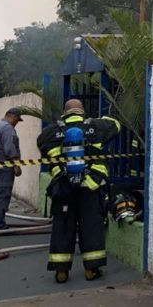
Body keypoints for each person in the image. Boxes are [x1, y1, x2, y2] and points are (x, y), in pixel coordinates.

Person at [38, 99, 120, 283]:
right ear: (81, 111)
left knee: (62, 227)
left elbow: (42, 147)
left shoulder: (50, 132)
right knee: (91, 226)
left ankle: (61, 271)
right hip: (90, 185)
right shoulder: (96, 127)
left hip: (63, 187)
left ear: (64, 113)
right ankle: (92, 269)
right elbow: (115, 125)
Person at [0, 107, 23, 230]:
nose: (17, 123)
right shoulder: (8, 128)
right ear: (12, 116)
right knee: (3, 195)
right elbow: (10, 149)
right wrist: (16, 165)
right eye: (17, 120)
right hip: (4, 167)